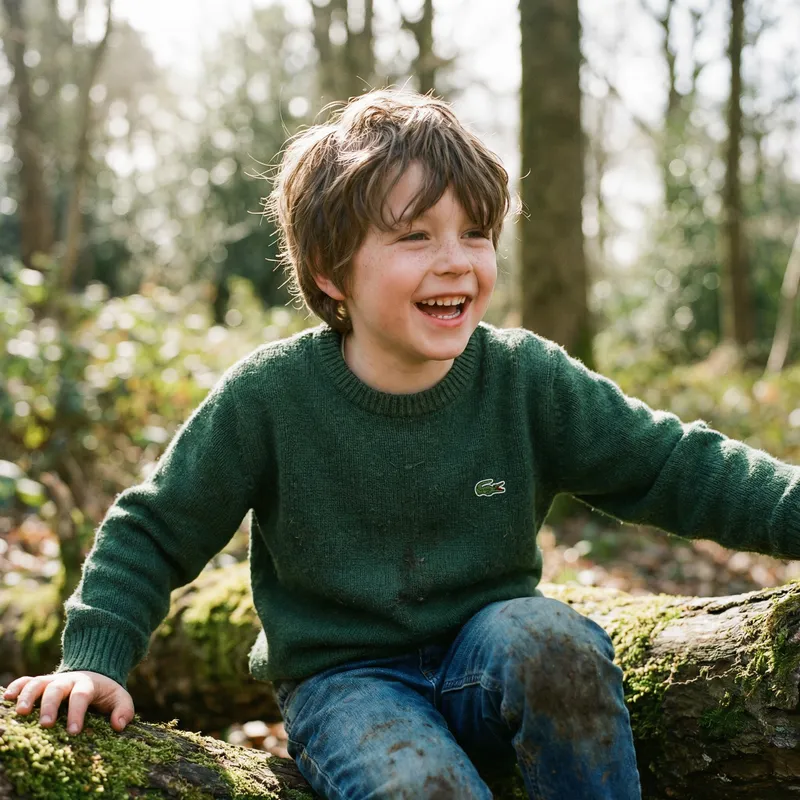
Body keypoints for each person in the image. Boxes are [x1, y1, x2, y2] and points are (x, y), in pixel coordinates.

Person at [5, 88, 800, 800]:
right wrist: (95, 658)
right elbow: (156, 524)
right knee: (421, 785)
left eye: (476, 232)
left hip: (487, 654)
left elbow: (672, 465)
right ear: (329, 272)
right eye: (415, 235)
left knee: (554, 638)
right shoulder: (271, 396)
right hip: (344, 683)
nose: (456, 260)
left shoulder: (524, 377)